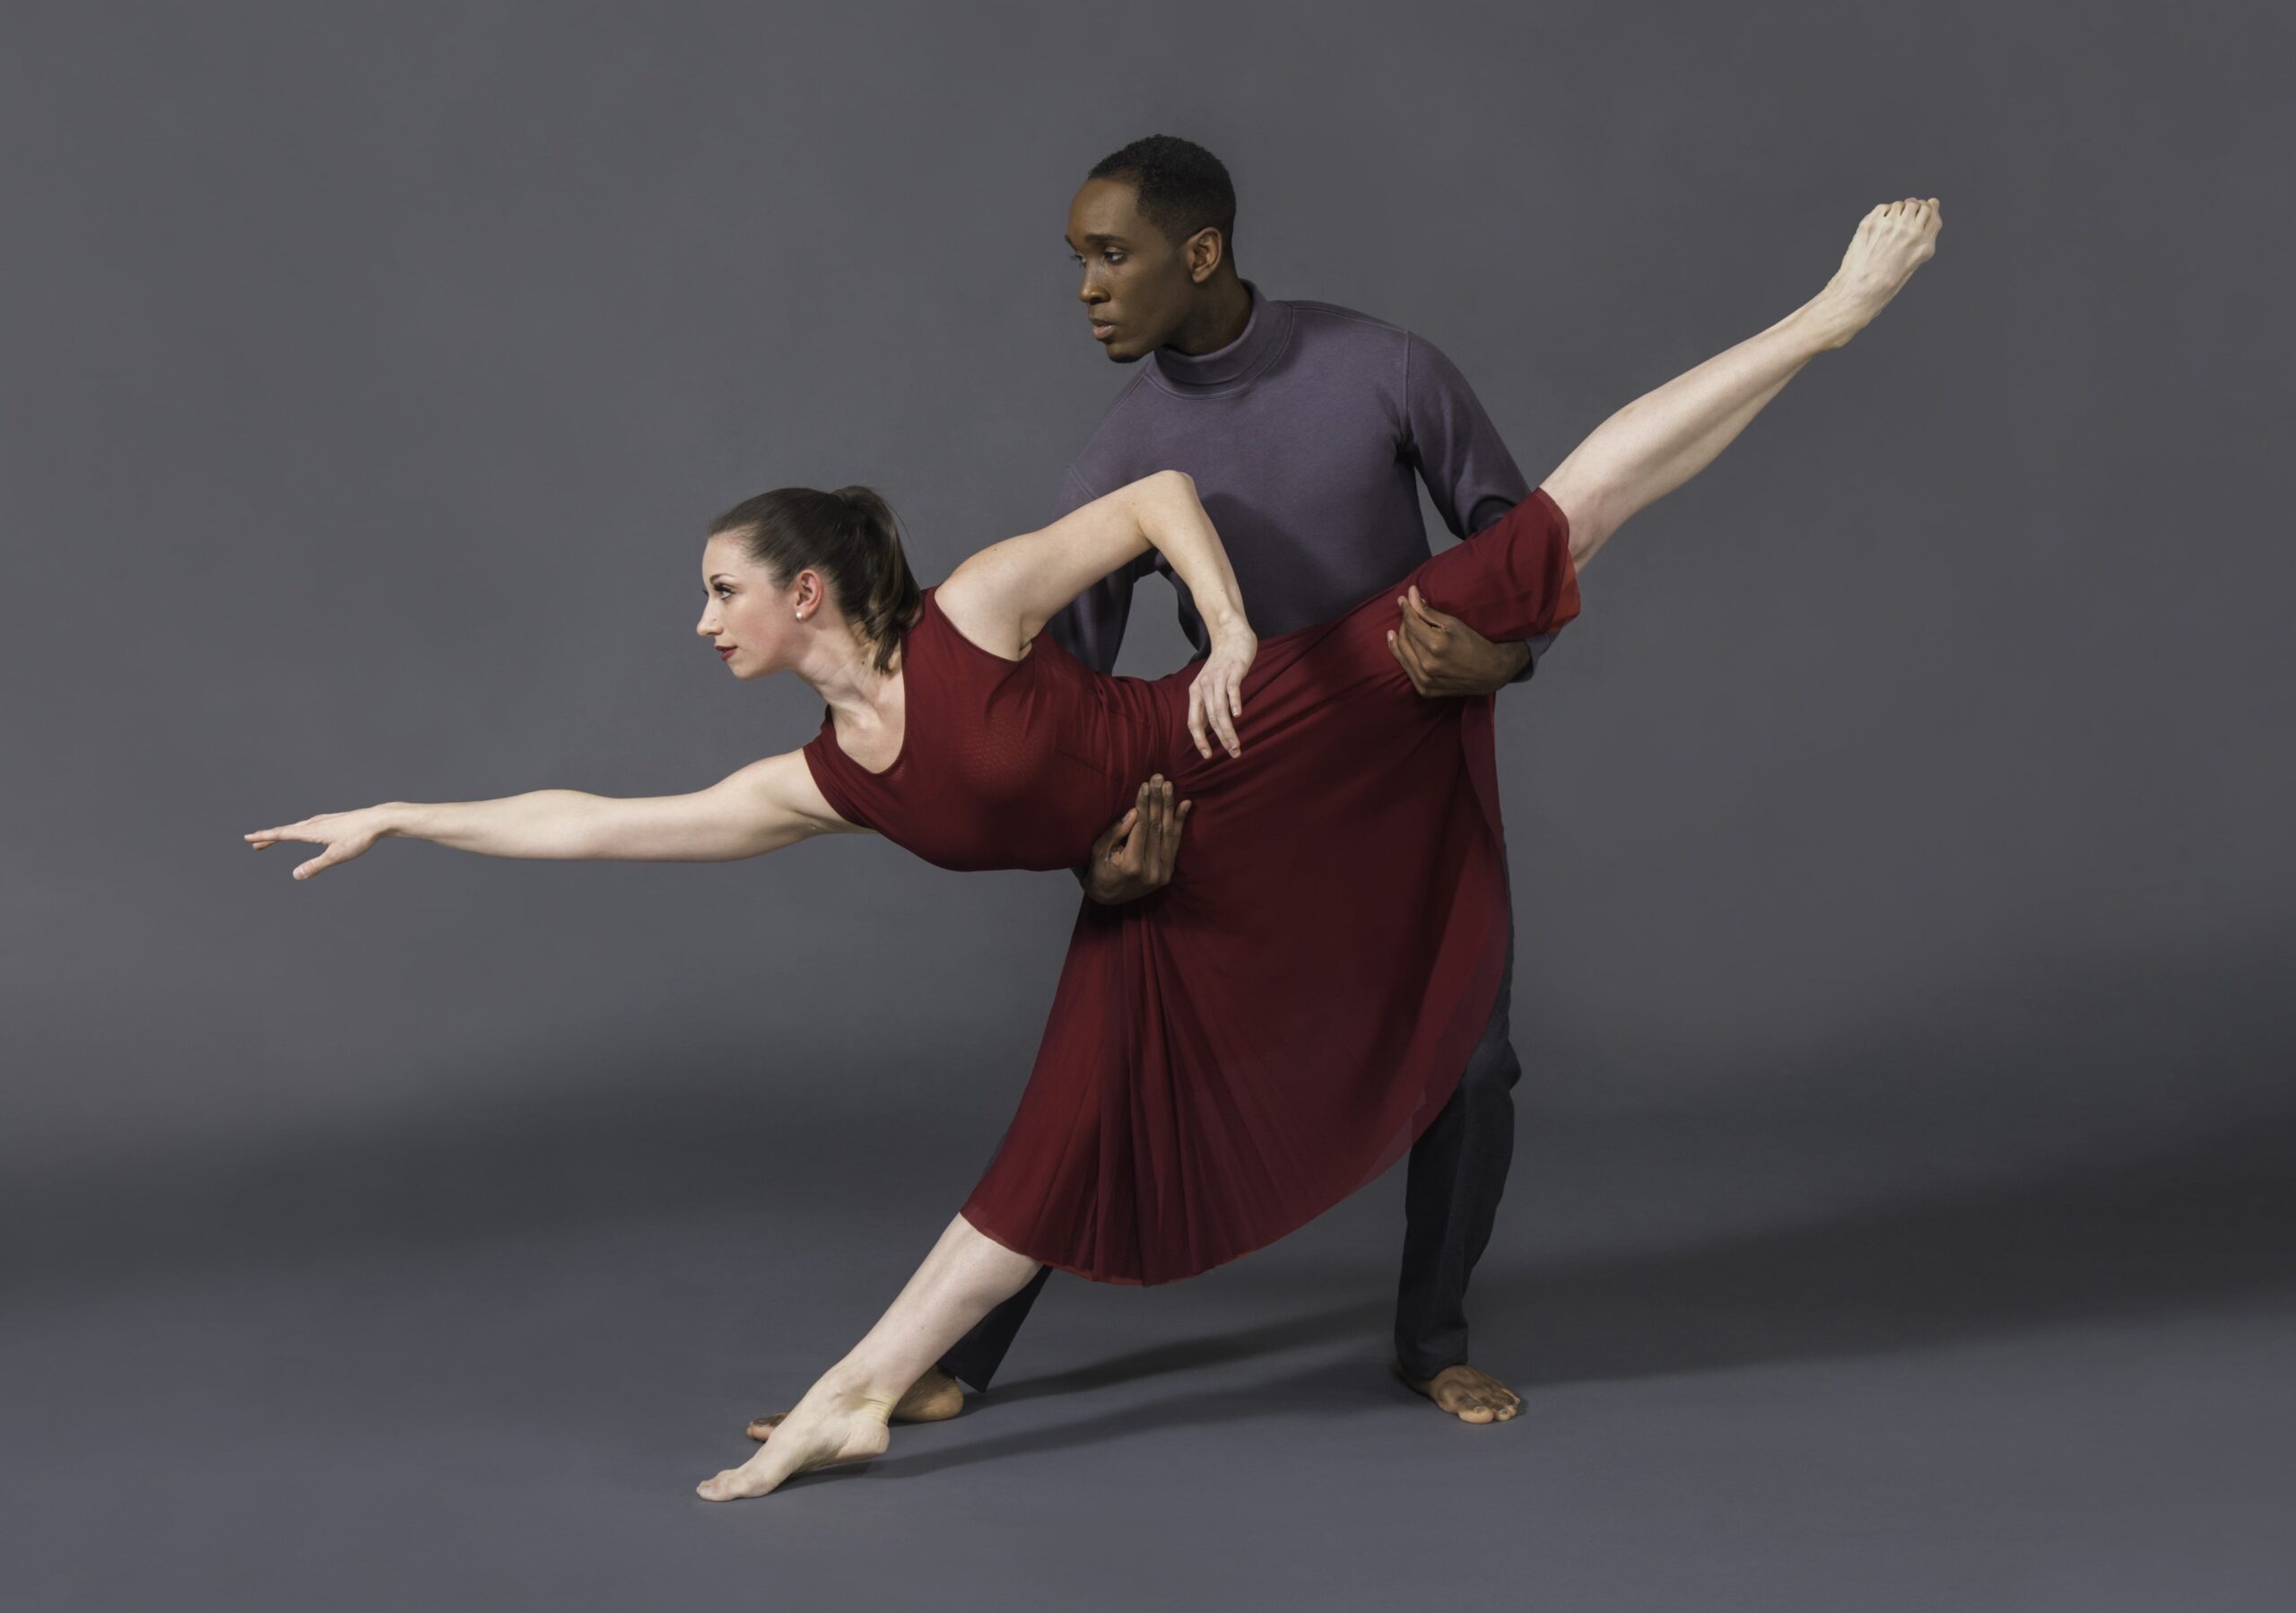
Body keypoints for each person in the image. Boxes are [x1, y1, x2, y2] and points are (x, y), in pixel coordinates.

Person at [244, 196, 1943, 1503]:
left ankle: (1828, 315)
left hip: (1251, 729)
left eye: (720, 592)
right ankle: (856, 1395)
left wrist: (1216, 640)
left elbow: (1152, 509)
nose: (702, 622)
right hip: (1160, 882)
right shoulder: (828, 778)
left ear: (805, 592)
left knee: (1559, 530)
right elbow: (594, 821)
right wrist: (409, 813)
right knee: (1056, 1141)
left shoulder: (970, 612)